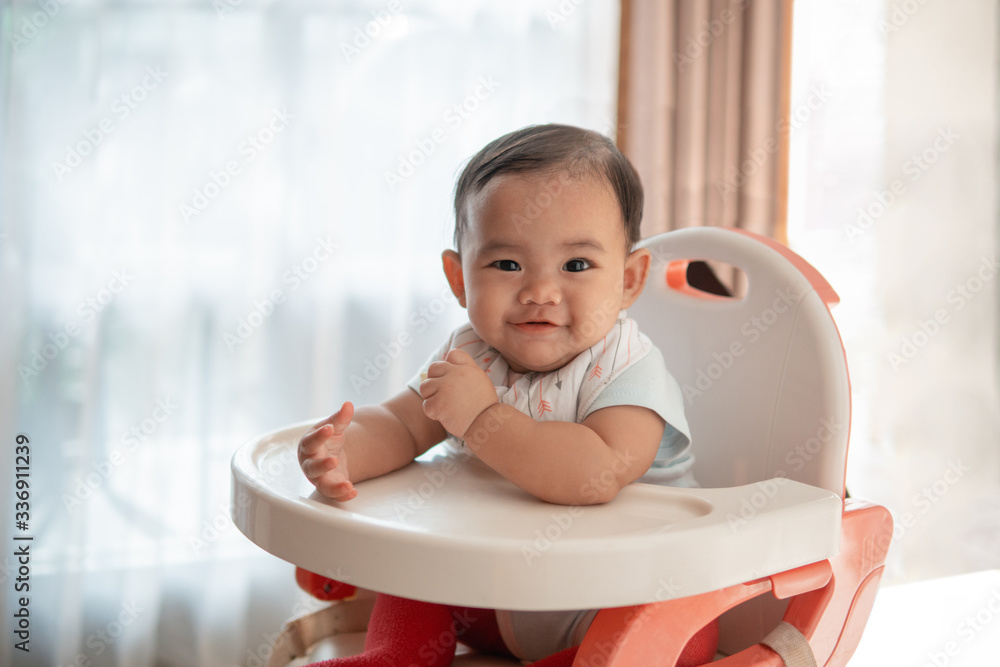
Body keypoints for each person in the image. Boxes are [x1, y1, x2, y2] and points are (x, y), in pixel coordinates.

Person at [297, 124, 715, 666]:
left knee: (668, 637)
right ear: (459, 278)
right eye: (507, 264)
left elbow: (598, 472)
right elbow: (403, 425)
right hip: (494, 595)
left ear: (629, 281)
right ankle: (394, 655)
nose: (540, 291)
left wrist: (483, 418)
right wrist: (343, 452)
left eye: (577, 265)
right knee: (417, 569)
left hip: (614, 597)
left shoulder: (628, 367)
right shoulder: (469, 353)